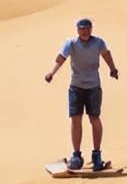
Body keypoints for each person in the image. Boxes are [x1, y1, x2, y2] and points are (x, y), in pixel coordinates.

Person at [44, 18, 118, 171]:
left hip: (93, 87)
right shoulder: (70, 43)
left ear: (91, 29)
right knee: (75, 119)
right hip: (76, 87)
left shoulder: (98, 42)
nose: (85, 31)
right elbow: (61, 58)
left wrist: (112, 68)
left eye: (87, 28)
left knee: (94, 118)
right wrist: (52, 72)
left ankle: (96, 155)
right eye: (82, 29)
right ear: (77, 30)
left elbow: (106, 54)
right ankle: (76, 155)